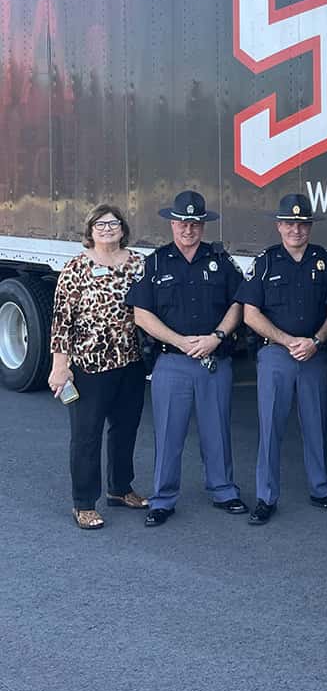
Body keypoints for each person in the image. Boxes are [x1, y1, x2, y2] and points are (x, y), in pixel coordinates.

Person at [127, 190, 246, 527]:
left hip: (214, 359)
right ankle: (163, 499)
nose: (188, 229)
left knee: (217, 429)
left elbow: (238, 302)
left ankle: (224, 490)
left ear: (203, 225)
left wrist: (217, 337)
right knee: (169, 432)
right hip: (172, 361)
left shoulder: (221, 260)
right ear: (172, 223)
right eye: (182, 222)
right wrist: (179, 341)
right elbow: (141, 314)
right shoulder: (156, 261)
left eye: (194, 223)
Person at [237, 193, 327, 525]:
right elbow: (250, 314)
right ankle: (266, 496)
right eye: (290, 224)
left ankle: (321, 488)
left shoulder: (326, 262)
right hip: (275, 354)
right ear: (279, 226)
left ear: (310, 227)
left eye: (302, 224)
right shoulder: (266, 262)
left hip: (314, 354)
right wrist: (287, 341)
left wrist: (315, 340)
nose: (296, 230)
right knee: (270, 426)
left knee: (317, 424)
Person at [50, 204, 147, 529]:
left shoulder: (138, 264)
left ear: (123, 228)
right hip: (89, 366)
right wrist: (59, 366)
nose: (107, 228)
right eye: (100, 224)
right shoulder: (77, 267)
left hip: (130, 361)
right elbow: (62, 321)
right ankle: (84, 503)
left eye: (113, 223)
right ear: (90, 230)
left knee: (125, 428)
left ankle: (120, 489)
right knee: (86, 436)